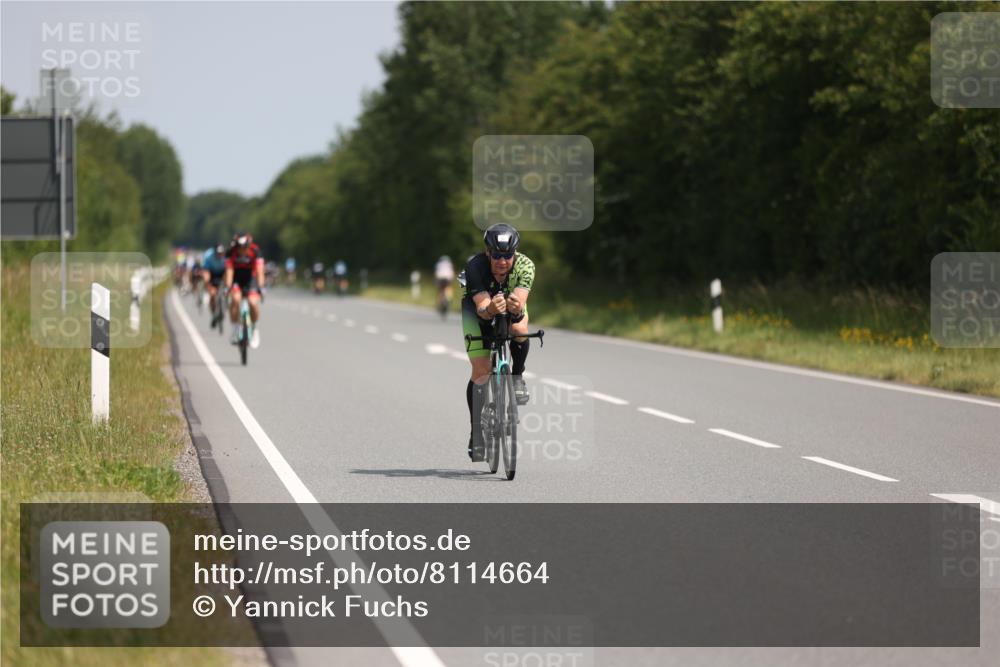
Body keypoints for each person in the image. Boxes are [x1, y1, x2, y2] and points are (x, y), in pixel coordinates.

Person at [461, 223, 535, 461]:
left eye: (507, 256)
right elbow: (482, 308)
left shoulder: (526, 266)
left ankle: (518, 377)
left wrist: (516, 308)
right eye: (496, 255)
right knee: (481, 371)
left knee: (520, 328)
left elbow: (521, 302)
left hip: (510, 307)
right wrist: (490, 308)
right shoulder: (474, 267)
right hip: (477, 310)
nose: (502, 261)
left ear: (515, 254)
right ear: (487, 253)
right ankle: (476, 434)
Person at [225, 232, 265, 348]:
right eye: (240, 248)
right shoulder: (231, 252)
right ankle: (234, 329)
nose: (243, 250)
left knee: (253, 302)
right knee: (235, 300)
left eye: (245, 247)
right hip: (237, 278)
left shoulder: (255, 251)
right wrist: (228, 287)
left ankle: (255, 329)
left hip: (250, 278)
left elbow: (259, 271)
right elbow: (229, 272)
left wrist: (261, 287)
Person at [202, 244, 228, 327]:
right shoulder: (209, 257)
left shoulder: (226, 258)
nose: (220, 255)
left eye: (221, 253)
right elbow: (206, 272)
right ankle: (214, 314)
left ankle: (225, 304)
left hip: (222, 273)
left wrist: (227, 284)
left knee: (226, 287)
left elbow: (229, 271)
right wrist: (207, 283)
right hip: (212, 274)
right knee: (212, 294)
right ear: (215, 252)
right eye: (218, 253)